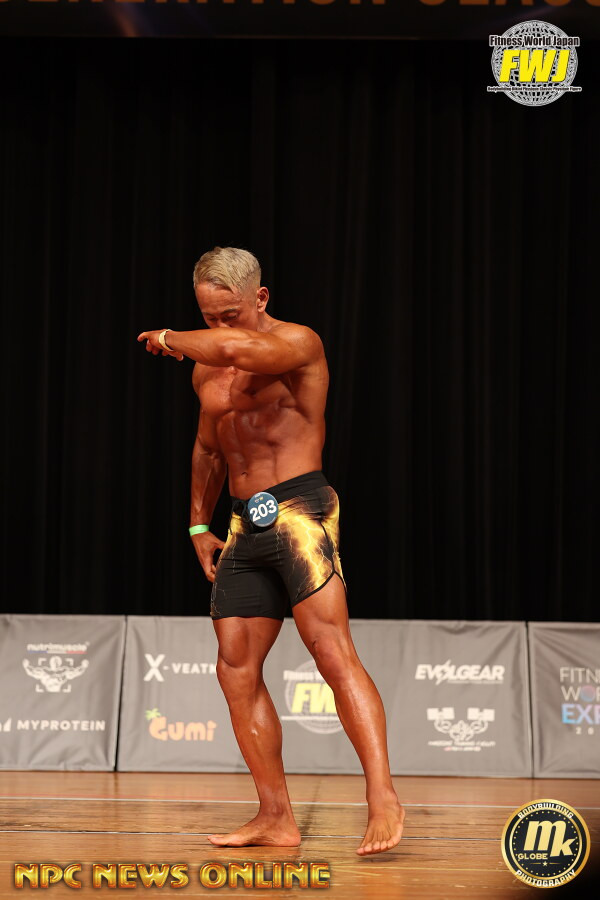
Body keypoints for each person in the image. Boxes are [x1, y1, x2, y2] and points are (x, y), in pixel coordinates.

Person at [137, 246, 404, 855]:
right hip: (242, 523)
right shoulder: (206, 366)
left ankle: (383, 797)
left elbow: (238, 348)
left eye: (229, 313)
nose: (218, 326)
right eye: (208, 316)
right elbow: (209, 446)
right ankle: (275, 816)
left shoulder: (297, 344)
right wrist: (197, 526)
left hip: (300, 510)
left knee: (331, 652)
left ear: (260, 297)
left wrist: (171, 338)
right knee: (234, 665)